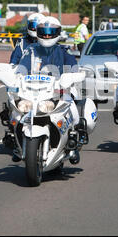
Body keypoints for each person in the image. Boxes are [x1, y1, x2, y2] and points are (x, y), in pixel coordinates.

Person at [14, 16, 81, 163]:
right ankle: (18, 145)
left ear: (57, 33)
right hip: (34, 91)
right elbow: (21, 68)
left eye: (50, 33)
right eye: (43, 32)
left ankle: (74, 144)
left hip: (58, 91)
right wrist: (17, 77)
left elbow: (74, 68)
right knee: (17, 115)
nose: (46, 36)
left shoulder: (64, 51)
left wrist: (70, 78)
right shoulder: (31, 51)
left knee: (74, 113)